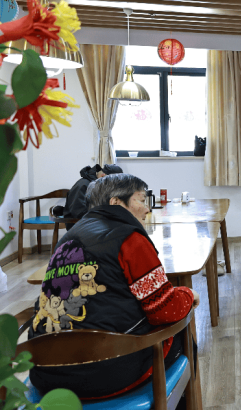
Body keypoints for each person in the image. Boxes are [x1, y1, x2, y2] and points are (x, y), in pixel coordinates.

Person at [29, 173, 199, 401]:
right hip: (105, 372)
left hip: (46, 371)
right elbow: (164, 310)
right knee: (183, 336)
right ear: (116, 202)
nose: (147, 209)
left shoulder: (67, 238)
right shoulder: (129, 238)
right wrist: (188, 294)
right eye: (141, 200)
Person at [64, 163, 123, 229]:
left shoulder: (99, 185)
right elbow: (79, 212)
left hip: (93, 221)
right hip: (79, 225)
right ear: (103, 176)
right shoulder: (83, 185)